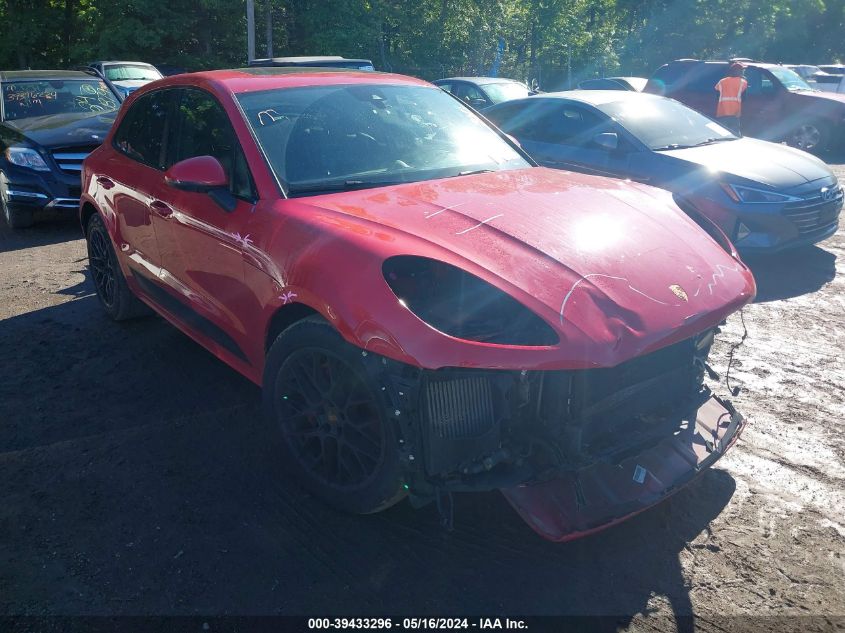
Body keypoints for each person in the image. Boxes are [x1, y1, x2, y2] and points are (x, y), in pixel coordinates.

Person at [714, 62, 748, 135]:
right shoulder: (743, 82)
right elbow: (744, 99)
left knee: (722, 134)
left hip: (722, 112)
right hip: (735, 113)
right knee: (734, 135)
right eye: (742, 70)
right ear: (740, 71)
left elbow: (717, 96)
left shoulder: (722, 81)